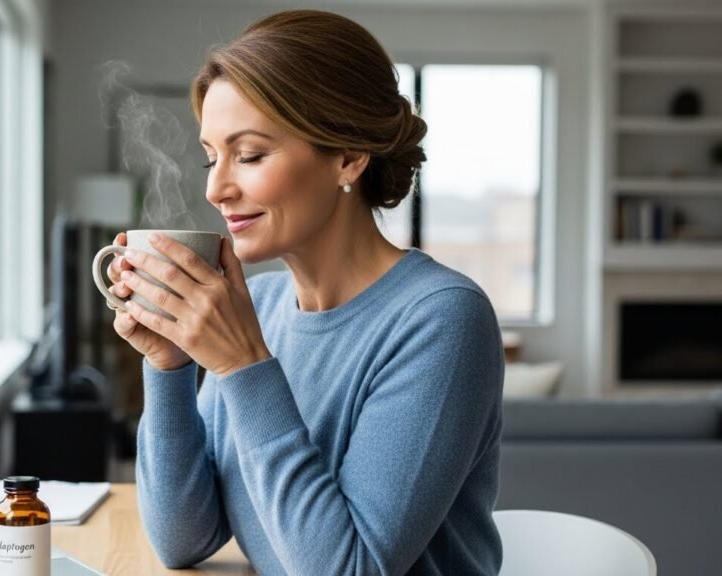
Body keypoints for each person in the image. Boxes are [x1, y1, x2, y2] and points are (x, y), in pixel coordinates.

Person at [104, 9, 503, 576]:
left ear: (347, 156)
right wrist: (168, 366)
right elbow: (181, 539)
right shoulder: (259, 307)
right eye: (210, 157)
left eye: (249, 155)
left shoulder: (442, 320)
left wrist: (244, 365)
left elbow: (348, 569)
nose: (216, 188)